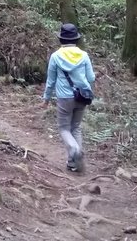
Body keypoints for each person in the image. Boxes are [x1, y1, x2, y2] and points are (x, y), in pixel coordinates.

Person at [41, 23, 96, 172]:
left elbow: (51, 81)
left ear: (61, 40)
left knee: (64, 128)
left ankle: (74, 151)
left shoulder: (55, 56)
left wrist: (46, 99)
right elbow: (91, 78)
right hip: (83, 96)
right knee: (76, 128)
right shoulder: (84, 55)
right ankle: (73, 163)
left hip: (64, 98)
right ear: (76, 39)